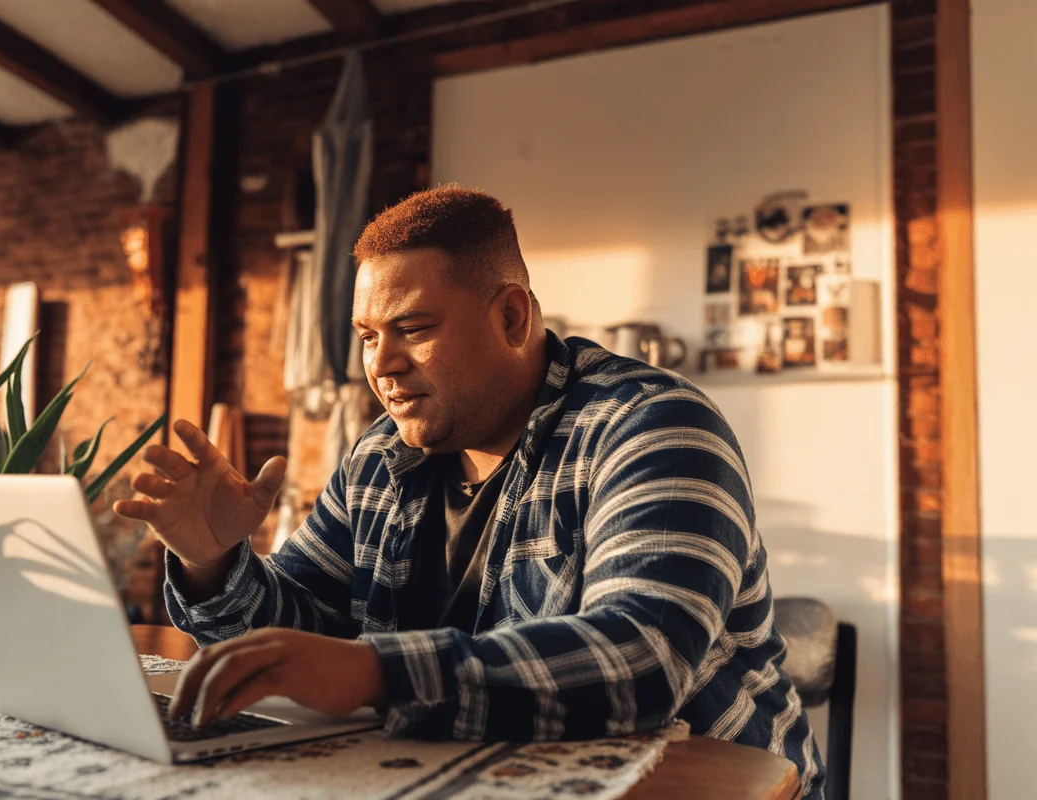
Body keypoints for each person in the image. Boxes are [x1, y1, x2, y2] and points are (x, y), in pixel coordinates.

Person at [115, 186, 824, 799]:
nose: (382, 366)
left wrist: (375, 673)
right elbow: (292, 643)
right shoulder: (380, 457)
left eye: (412, 329)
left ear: (512, 317)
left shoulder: (654, 426)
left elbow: (640, 661)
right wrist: (214, 564)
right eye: (367, 336)